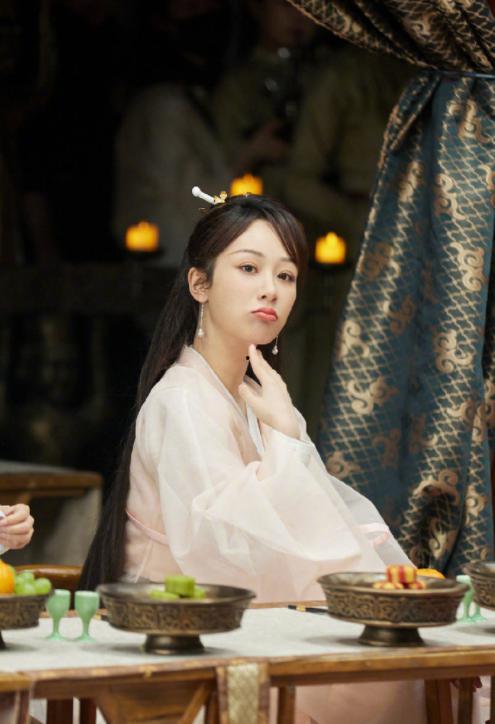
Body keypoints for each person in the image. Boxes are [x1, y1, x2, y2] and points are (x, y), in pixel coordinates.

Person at [82, 192, 426, 723]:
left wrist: (286, 432)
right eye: (248, 268)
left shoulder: (255, 397)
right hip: (172, 631)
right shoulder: (182, 398)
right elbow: (224, 546)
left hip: (230, 616)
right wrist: (286, 436)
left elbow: (311, 514)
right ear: (200, 284)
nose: (271, 288)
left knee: (390, 658)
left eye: (286, 276)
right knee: (375, 675)